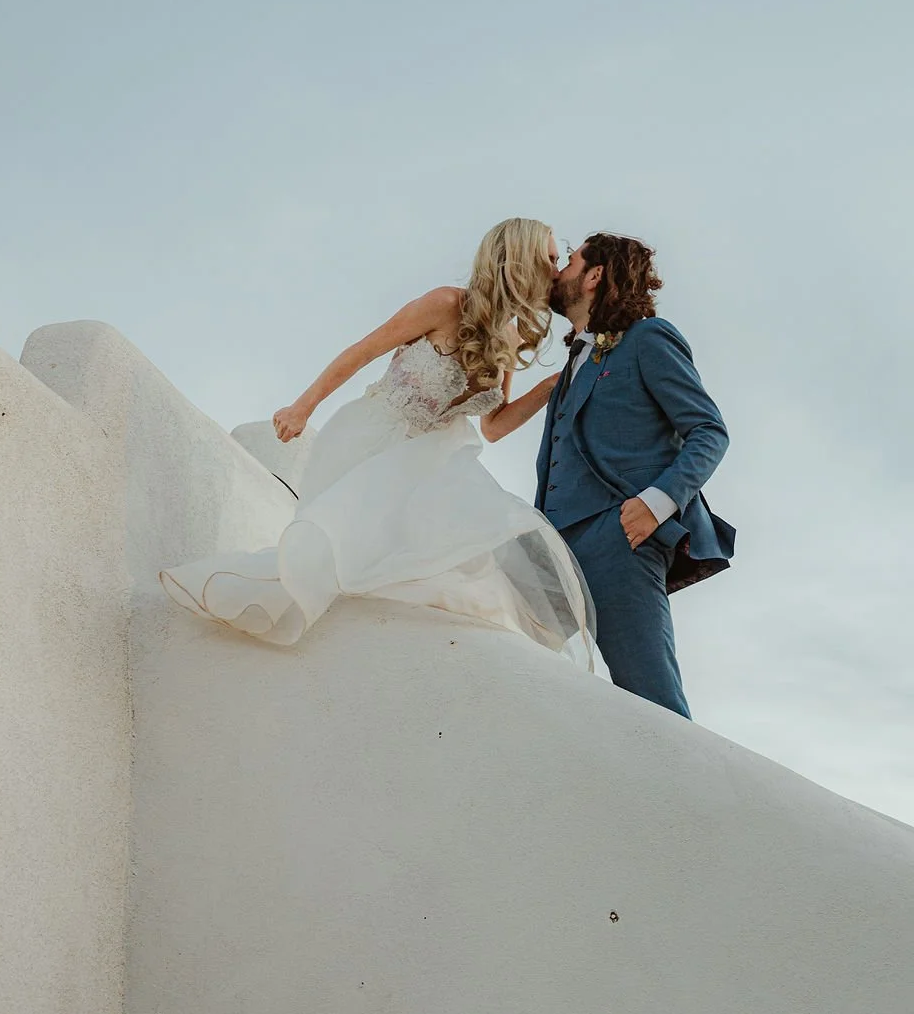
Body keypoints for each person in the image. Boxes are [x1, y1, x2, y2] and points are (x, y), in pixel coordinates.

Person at [159, 219, 595, 660]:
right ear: (519, 258)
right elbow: (362, 351)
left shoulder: (509, 338)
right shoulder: (445, 303)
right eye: (551, 257)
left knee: (461, 563)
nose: (557, 269)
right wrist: (302, 407)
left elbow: (494, 426)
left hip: (430, 460)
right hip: (373, 441)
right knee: (344, 554)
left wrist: (556, 383)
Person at [497, 232, 733, 718]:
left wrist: (656, 502)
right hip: (550, 544)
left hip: (619, 538)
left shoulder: (649, 338)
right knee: (502, 663)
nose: (557, 271)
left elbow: (709, 431)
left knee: (651, 702)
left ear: (595, 275)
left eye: (569, 262)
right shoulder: (571, 364)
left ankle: (677, 793)